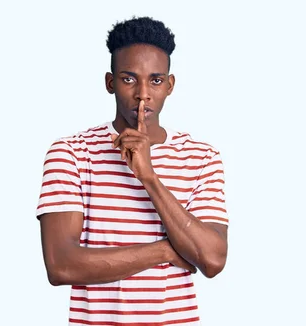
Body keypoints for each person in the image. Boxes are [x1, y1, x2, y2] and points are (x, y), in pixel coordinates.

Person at [36, 16, 229, 325]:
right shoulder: (71, 153)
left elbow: (213, 259)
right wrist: (165, 251)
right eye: (129, 79)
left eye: (155, 80)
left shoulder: (201, 157)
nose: (143, 94)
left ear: (169, 85)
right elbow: (61, 266)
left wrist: (149, 176)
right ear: (110, 82)